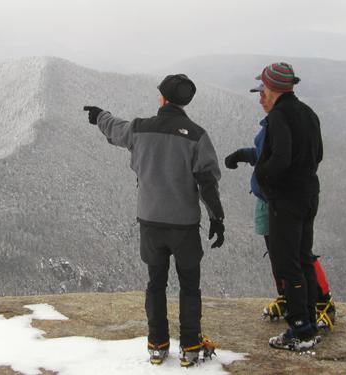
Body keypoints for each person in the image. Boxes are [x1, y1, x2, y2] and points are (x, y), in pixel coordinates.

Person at [83, 74, 225, 367]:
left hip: (150, 222)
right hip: (184, 226)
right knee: (189, 286)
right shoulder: (197, 135)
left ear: (162, 98)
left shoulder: (140, 129)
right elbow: (207, 182)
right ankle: (190, 346)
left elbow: (115, 128)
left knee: (155, 283)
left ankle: (157, 344)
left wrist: (99, 116)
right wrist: (217, 218)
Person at [224, 116, 336, 330]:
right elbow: (266, 154)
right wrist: (243, 155)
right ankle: (287, 297)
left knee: (297, 252)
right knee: (277, 252)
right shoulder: (270, 123)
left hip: (281, 199)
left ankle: (323, 302)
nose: (261, 96)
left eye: (264, 91)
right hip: (265, 198)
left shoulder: (286, 121)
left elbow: (285, 158)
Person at [248, 62, 325, 351]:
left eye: (263, 89)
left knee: (288, 263)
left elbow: (280, 159)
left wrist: (262, 174)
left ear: (274, 88)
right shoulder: (308, 113)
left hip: (287, 200)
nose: (261, 95)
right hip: (308, 195)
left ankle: (300, 330)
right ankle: (309, 319)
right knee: (303, 258)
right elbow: (318, 154)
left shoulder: (280, 116)